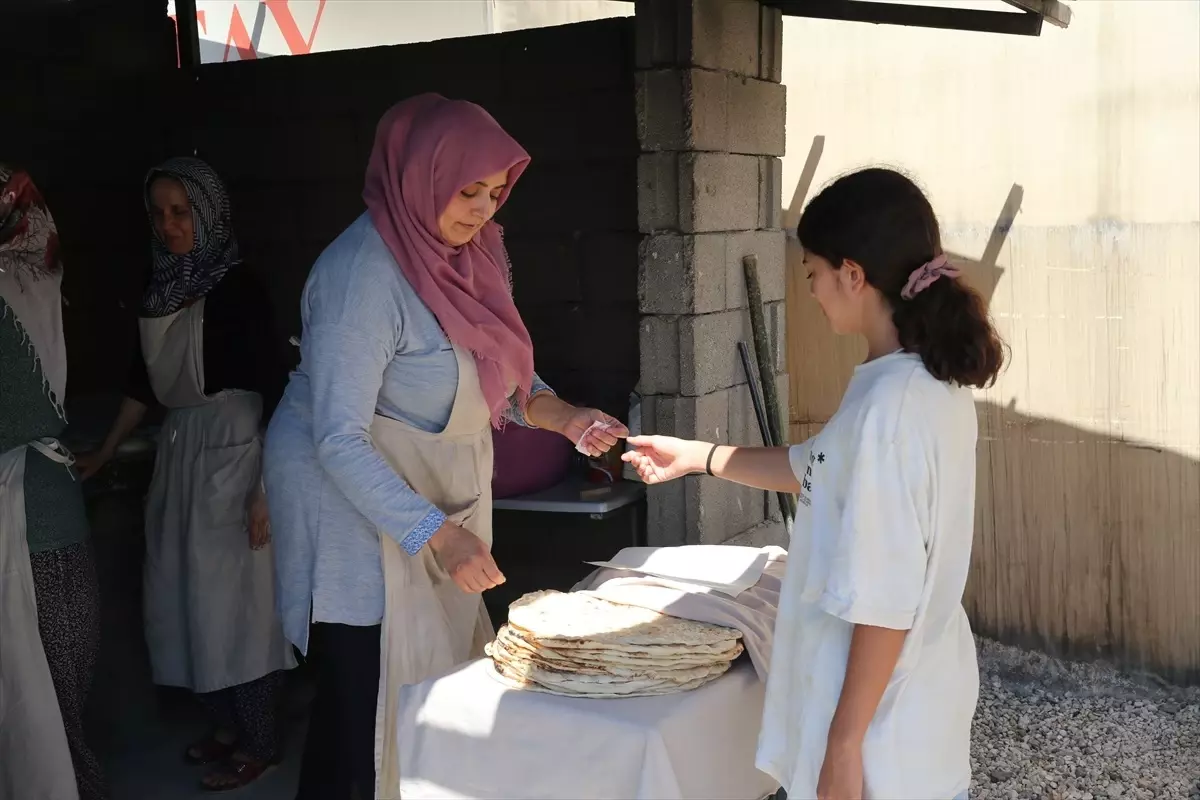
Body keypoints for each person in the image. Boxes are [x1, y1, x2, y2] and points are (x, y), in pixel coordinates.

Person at [264, 93, 627, 800]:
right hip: (348, 503)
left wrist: (566, 418)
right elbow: (337, 437)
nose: (484, 210)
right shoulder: (359, 279)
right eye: (468, 192)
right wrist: (436, 534)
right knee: (366, 696)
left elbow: (502, 370)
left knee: (431, 679)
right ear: (421, 176)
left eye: (496, 194)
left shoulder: (473, 255)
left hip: (424, 485)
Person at [623, 167, 1005, 800]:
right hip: (913, 707)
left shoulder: (891, 410)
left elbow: (885, 599)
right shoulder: (917, 383)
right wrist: (697, 456)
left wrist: (844, 746)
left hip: (882, 734)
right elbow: (812, 466)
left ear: (852, 274)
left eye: (812, 276)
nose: (813, 293)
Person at [77, 157, 296, 792]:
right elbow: (141, 383)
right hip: (181, 446)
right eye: (159, 213)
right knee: (178, 595)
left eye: (182, 212)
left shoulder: (239, 287)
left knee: (236, 605)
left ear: (209, 214)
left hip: (237, 442)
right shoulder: (160, 285)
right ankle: (224, 724)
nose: (170, 225)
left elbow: (277, 388)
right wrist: (108, 450)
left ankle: (262, 741)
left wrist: (264, 490)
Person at [0, 163, 107, 800]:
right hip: (49, 497)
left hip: (30, 512)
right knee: (58, 686)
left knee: (37, 688)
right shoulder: (39, 275)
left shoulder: (11, 286)